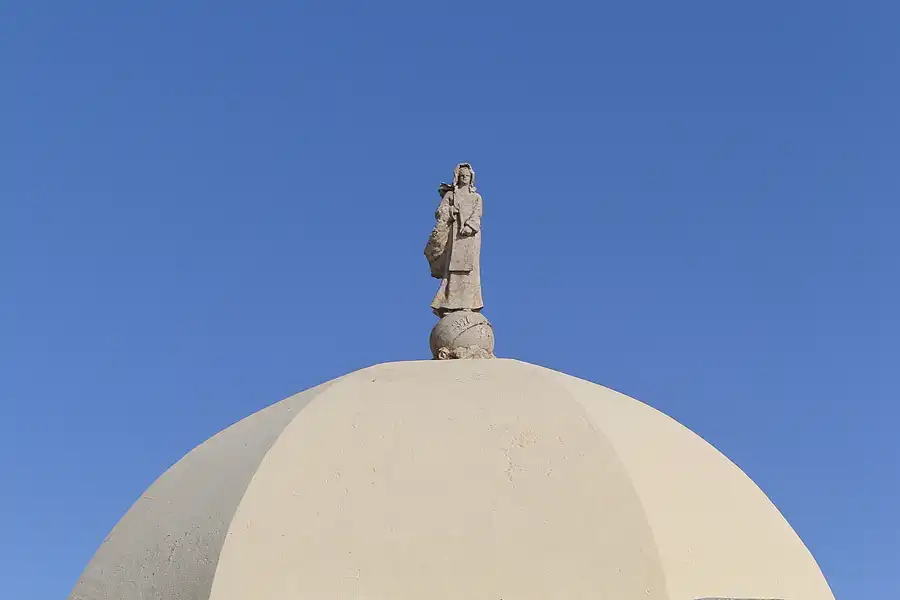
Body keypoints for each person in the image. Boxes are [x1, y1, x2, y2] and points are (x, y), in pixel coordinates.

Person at [424, 163, 484, 317]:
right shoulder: (451, 195)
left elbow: (477, 215)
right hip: (455, 237)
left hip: (470, 238)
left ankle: (470, 304)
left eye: (467, 176)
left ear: (471, 178)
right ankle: (448, 304)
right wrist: (451, 211)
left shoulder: (476, 197)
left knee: (470, 271)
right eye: (462, 176)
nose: (464, 178)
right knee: (452, 271)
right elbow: (440, 213)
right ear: (457, 177)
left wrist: (469, 227)